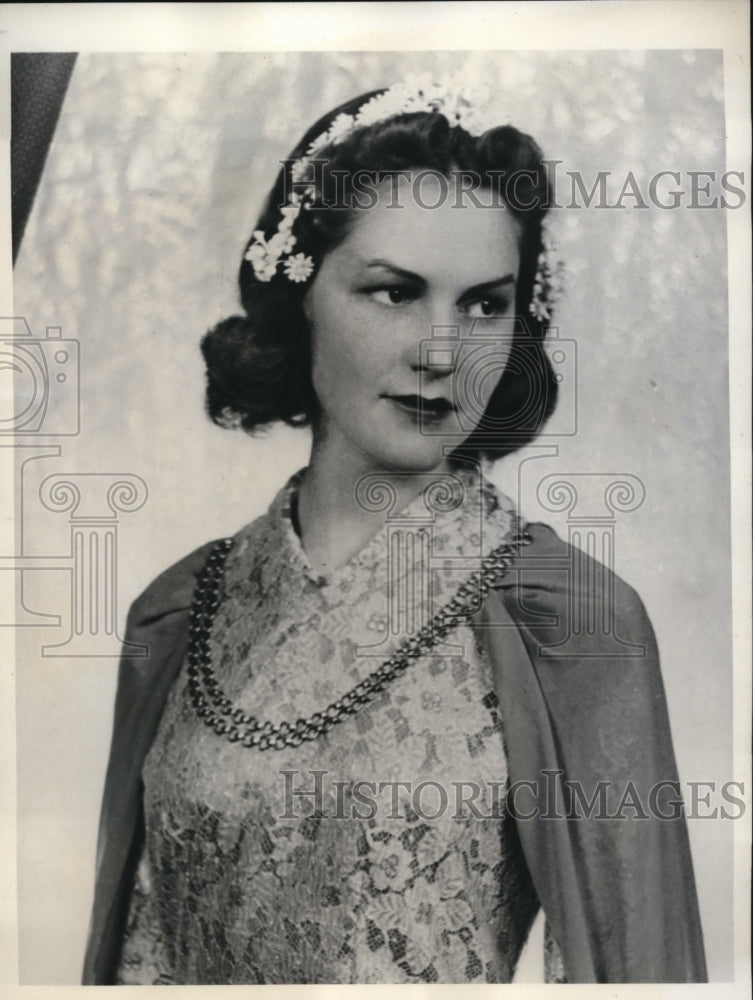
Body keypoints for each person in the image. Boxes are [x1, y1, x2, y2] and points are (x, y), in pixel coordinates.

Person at [82, 75, 707, 985]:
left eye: (484, 304)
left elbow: (640, 967)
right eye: (392, 293)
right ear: (300, 293)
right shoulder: (180, 612)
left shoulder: (568, 622)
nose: (441, 351)